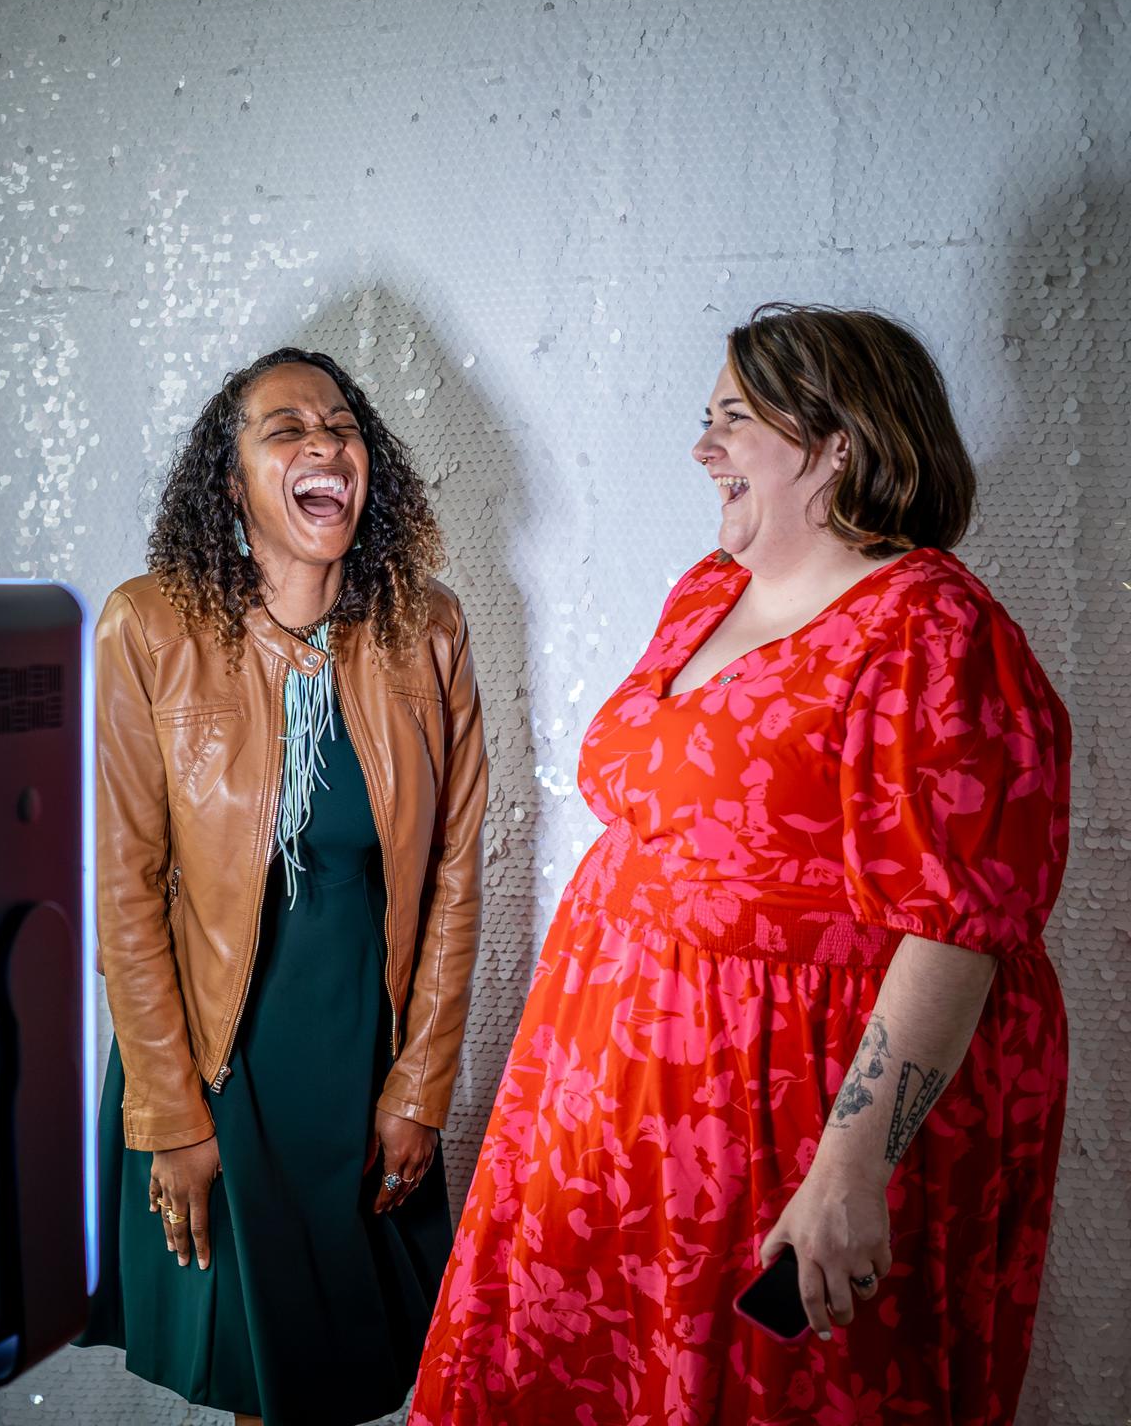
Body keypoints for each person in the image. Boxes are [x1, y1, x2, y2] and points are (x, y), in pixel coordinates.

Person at [411, 304, 1071, 1425]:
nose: (703, 449)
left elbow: (961, 923)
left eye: (732, 420)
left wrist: (852, 1167)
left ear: (836, 444)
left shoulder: (933, 629)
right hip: (611, 1104)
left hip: (784, 1123)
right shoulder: (707, 593)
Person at [79, 346, 490, 1426]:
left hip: (361, 1055)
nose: (325, 441)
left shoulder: (428, 628)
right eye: (287, 428)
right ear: (231, 482)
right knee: (264, 1375)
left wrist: (419, 1088)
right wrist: (168, 1115)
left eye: (344, 424)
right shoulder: (148, 626)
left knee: (337, 1374)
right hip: (215, 1059)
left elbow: (455, 877)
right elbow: (123, 887)